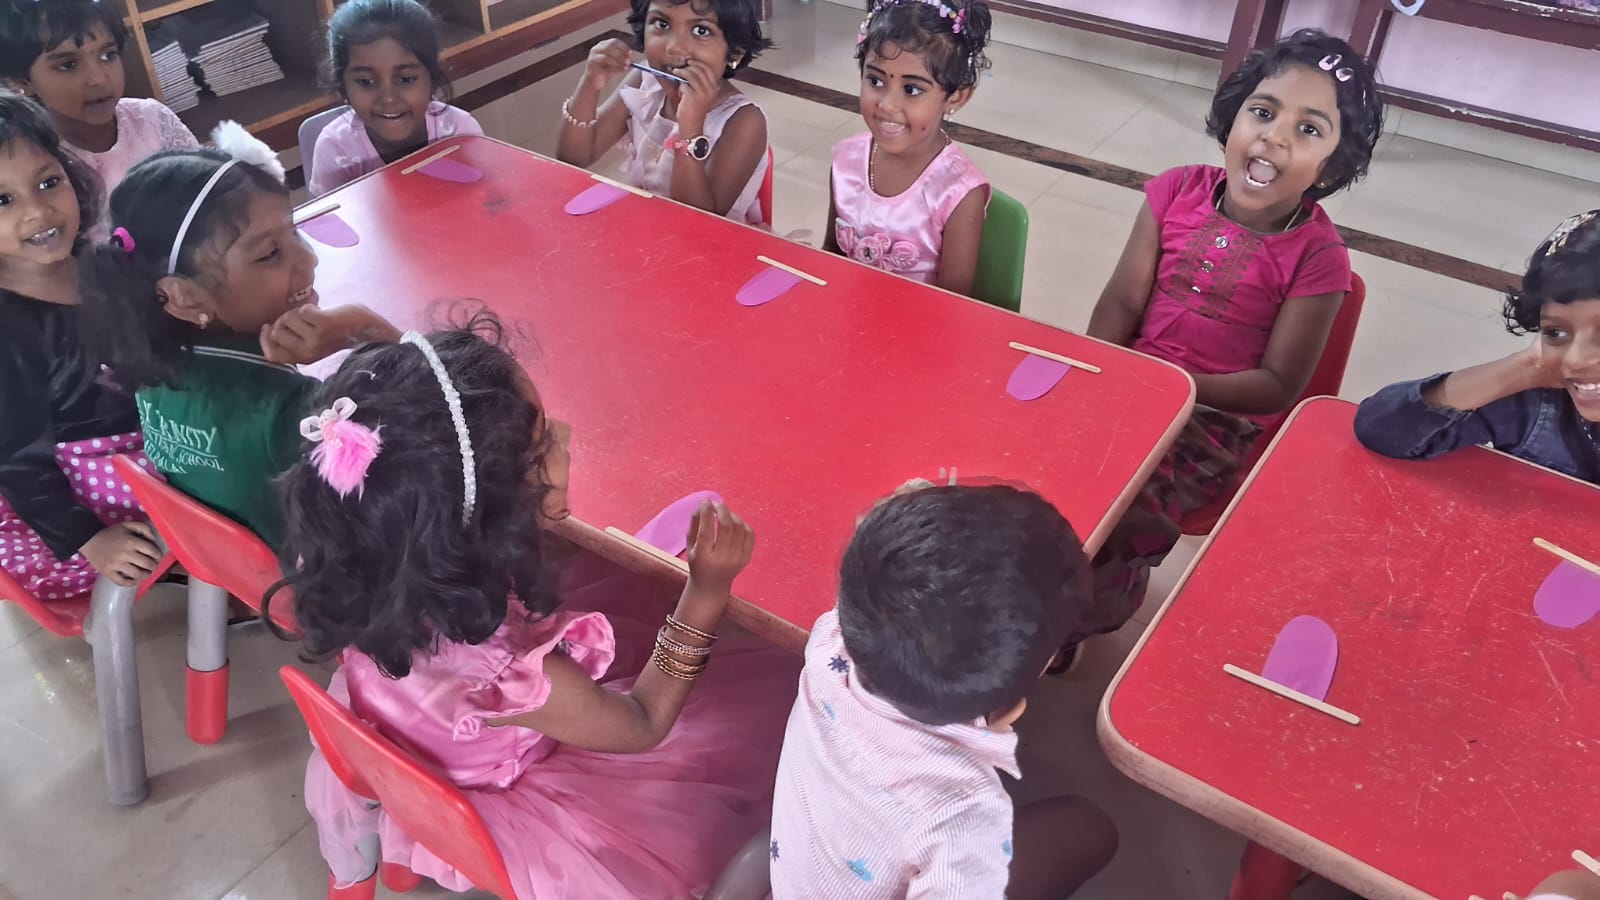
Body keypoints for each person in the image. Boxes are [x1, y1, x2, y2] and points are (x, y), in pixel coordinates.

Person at [270, 319, 800, 897]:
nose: (565, 437)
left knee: (606, 583)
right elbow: (644, 723)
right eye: (545, 443)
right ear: (493, 515)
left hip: (421, 751)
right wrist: (705, 593)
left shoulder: (358, 558)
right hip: (525, 802)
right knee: (768, 710)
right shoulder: (506, 671)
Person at [1080, 29, 1385, 652]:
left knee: (1127, 503)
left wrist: (1177, 391)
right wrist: (1104, 373)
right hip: (1133, 380)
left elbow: (1279, 385)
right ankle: (1026, 576)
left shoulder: (1319, 258)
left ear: (1332, 165)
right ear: (1233, 116)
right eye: (1264, 112)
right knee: (1052, 455)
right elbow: (1121, 302)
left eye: (1308, 129)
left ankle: (1081, 614)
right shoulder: (1174, 191)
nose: (1275, 137)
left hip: (1215, 422)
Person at [768, 484, 1119, 899]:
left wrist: (905, 533)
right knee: (1090, 828)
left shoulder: (830, 644)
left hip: (800, 875)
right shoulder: (961, 813)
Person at [77, 130, 396, 546]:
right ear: (184, 297)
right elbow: (436, 443)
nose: (309, 258)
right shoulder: (294, 409)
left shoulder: (148, 363)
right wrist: (370, 331)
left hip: (229, 556)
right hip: (313, 567)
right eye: (269, 254)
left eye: (294, 232)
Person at [0, 92, 161, 597]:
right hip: (81, 499)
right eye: (2, 201)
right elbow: (16, 460)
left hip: (154, 434)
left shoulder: (102, 262)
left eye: (48, 182)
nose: (38, 210)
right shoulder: (9, 331)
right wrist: (90, 538)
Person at [1355, 210, 1600, 484]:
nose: (1576, 359)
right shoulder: (1538, 403)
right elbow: (1379, 430)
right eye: (1556, 333)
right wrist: (1526, 367)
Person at [823, 0, 992, 296]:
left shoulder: (959, 193)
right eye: (875, 80)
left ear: (956, 97)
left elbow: (951, 307)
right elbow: (830, 258)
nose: (888, 105)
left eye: (912, 89)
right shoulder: (846, 160)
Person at [557, 0, 772, 226]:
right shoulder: (644, 82)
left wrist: (690, 125)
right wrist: (590, 82)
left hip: (710, 242)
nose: (674, 47)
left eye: (701, 30)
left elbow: (697, 223)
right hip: (648, 228)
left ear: (735, 53)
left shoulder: (744, 121)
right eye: (662, 23)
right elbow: (575, 157)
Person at [0, 0, 198, 233]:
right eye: (68, 65)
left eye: (107, 55)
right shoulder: (34, 156)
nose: (99, 79)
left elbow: (206, 192)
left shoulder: (152, 119)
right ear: (22, 81)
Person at [307, 0, 483, 197]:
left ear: (432, 80)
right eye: (366, 82)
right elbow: (329, 216)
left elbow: (483, 200)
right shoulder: (336, 150)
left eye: (406, 79)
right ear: (342, 87)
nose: (388, 99)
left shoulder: (459, 132)